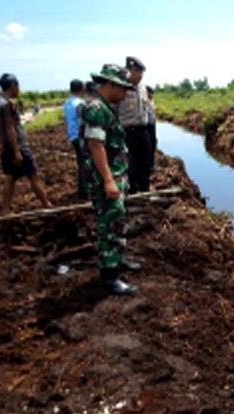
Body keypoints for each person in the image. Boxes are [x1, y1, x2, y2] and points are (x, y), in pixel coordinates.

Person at [82, 64, 142, 295]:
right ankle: (110, 278)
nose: (126, 93)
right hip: (106, 178)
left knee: (117, 219)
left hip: (116, 174)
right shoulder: (96, 108)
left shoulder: (106, 106)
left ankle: (118, 259)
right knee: (109, 223)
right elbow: (96, 146)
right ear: (110, 84)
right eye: (123, 88)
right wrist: (108, 180)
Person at [0, 73, 51, 214]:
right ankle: (46, 204)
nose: (19, 89)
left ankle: (5, 209)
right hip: (19, 147)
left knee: (10, 178)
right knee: (33, 176)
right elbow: (10, 128)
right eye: (18, 86)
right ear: (13, 86)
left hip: (6, 148)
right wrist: (17, 151)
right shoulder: (8, 104)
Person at [117, 56, 151, 193]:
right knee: (131, 164)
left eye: (141, 72)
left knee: (145, 163)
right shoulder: (120, 88)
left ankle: (145, 190)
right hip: (128, 132)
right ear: (129, 70)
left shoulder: (142, 88)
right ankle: (132, 192)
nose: (140, 75)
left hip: (143, 131)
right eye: (137, 71)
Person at [63, 79, 87, 199]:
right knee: (86, 163)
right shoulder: (80, 103)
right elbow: (84, 121)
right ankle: (85, 190)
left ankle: (82, 189)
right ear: (81, 89)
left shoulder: (67, 103)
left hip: (73, 136)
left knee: (81, 162)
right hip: (81, 136)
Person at [145, 85, 157, 174]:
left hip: (153, 126)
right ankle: (148, 165)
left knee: (153, 144)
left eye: (152, 93)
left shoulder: (152, 101)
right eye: (150, 93)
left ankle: (151, 164)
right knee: (148, 146)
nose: (151, 95)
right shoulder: (144, 102)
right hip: (147, 126)